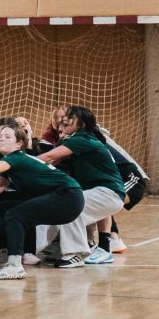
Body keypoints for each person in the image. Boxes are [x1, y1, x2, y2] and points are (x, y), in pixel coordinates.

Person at [0, 118, 83, 281]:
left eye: (7, 137)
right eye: (0, 136)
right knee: (2, 207)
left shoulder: (16, 158)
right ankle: (4, 259)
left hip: (68, 197)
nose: (1, 139)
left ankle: (15, 265)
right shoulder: (11, 163)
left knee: (15, 215)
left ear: (18, 144)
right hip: (66, 197)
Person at [35, 105, 128, 265]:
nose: (65, 120)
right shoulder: (79, 140)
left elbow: (49, 157)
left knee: (70, 205)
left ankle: (75, 253)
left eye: (70, 118)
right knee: (65, 208)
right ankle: (40, 248)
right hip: (105, 193)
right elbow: (54, 161)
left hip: (109, 193)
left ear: (82, 124)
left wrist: (17, 162)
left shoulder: (81, 139)